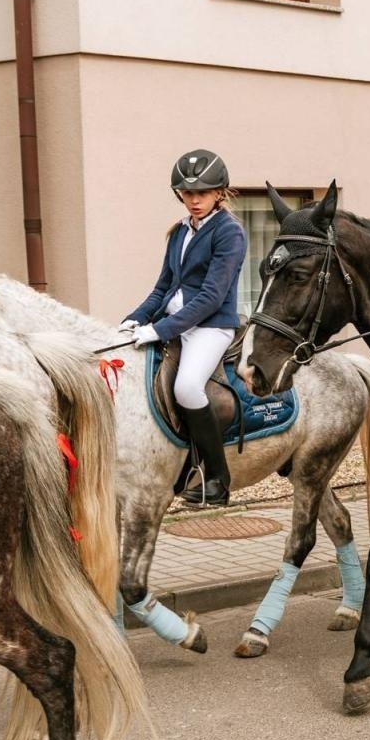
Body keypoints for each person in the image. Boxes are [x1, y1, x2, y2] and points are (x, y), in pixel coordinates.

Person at [122, 149, 248, 506]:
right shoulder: (179, 232)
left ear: (219, 192)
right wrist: (135, 319)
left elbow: (211, 297)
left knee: (188, 388)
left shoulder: (230, 233)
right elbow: (163, 287)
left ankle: (218, 478)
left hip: (211, 327)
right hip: (175, 323)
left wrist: (160, 330)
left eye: (203, 193)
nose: (194, 200)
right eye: (188, 193)